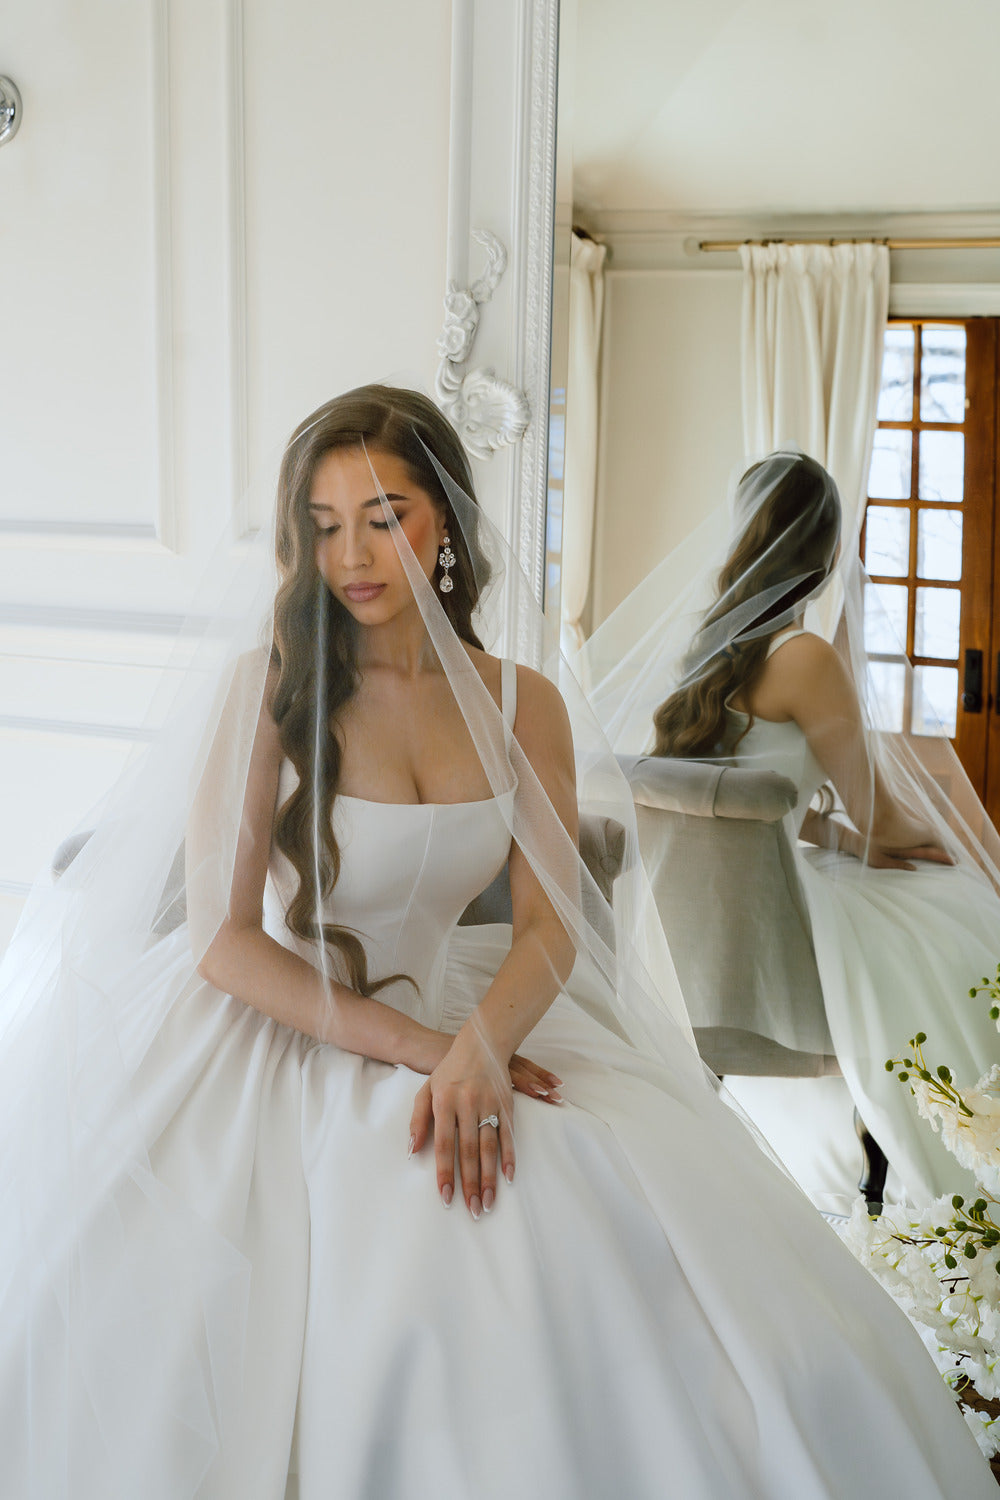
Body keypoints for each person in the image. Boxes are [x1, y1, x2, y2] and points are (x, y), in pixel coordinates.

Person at [0, 397, 994, 1499]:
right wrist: (435, 1052)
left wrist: (482, 1043)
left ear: (446, 523)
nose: (353, 556)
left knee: (607, 1220)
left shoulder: (523, 704)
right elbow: (225, 942)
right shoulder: (268, 688)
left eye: (386, 516)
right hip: (275, 1023)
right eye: (324, 525)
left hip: (473, 1014)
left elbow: (551, 922)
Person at [583, 448, 1000, 1205]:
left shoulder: (706, 655)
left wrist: (852, 840)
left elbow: (759, 804)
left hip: (698, 925)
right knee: (965, 921)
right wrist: (950, 844)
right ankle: (956, 1167)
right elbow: (879, 813)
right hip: (780, 921)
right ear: (828, 554)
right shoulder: (804, 657)